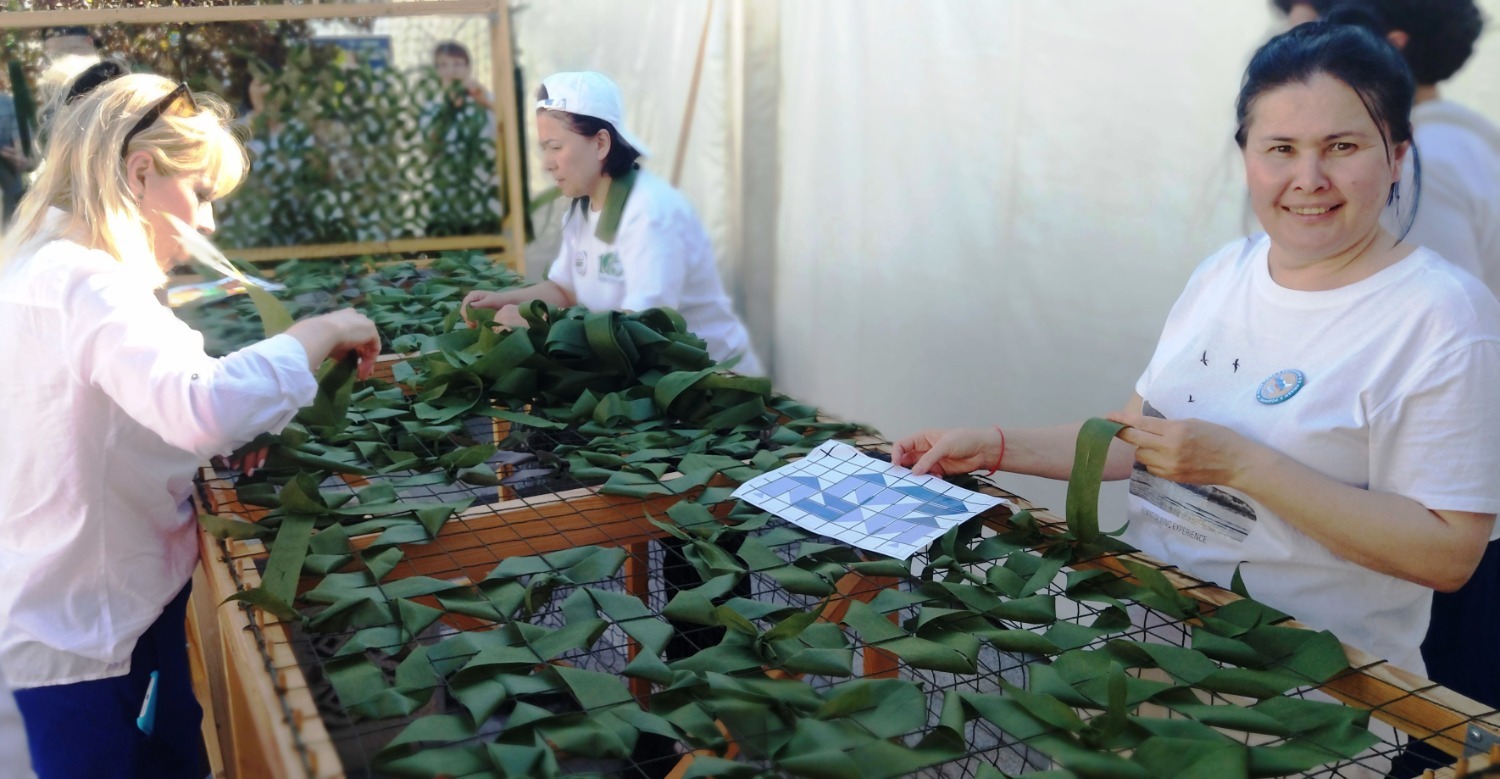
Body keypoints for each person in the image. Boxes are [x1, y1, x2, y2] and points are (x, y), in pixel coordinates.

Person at [894, 17, 1500, 685]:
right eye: (1281, 148)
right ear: (1247, 157)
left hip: (1304, 691)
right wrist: (995, 445)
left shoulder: (1444, 317)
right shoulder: (1226, 272)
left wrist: (1243, 466)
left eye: (1342, 146)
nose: (1309, 177)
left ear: (1398, 156)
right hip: (1143, 639)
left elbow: (1448, 554)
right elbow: (1137, 439)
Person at [0, 65, 381, 778]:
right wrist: (324, 328)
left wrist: (207, 445)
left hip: (87, 613)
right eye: (201, 194)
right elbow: (203, 405)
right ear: (140, 172)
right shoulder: (87, 281)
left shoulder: (39, 266)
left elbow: (109, 419)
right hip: (91, 639)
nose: (209, 222)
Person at [462, 71, 763, 375]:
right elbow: (565, 290)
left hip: (712, 381)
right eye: (544, 149)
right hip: (644, 375)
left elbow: (642, 329)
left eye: (556, 147)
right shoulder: (581, 209)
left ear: (601, 143)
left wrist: (538, 322)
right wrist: (501, 301)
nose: (547, 163)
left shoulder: (650, 214)